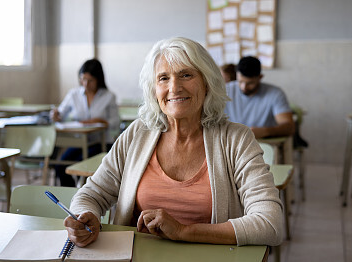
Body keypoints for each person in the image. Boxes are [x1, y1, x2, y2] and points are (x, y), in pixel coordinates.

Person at [64, 37, 283, 248]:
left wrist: (183, 231)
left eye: (186, 75)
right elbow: (91, 194)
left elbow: (270, 223)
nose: (174, 87)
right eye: (163, 78)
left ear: (207, 83)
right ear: (154, 90)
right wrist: (85, 216)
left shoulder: (237, 139)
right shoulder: (138, 133)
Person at [51, 58, 120, 187]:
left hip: (102, 143)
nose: (86, 84)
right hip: (80, 142)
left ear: (98, 79)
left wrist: (101, 121)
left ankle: (83, 199)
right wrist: (56, 115)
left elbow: (116, 122)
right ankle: (71, 197)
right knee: (60, 166)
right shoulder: (74, 94)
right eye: (83, 79)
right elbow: (60, 114)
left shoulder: (108, 96)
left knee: (79, 165)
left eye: (90, 80)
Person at [224, 56, 294, 139]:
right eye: (240, 81)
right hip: (231, 143)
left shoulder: (275, 94)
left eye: (250, 83)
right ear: (236, 75)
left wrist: (265, 131)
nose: (244, 87)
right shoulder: (224, 91)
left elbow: (289, 127)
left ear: (260, 77)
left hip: (263, 144)